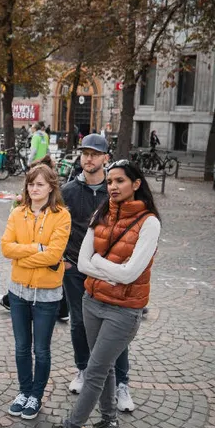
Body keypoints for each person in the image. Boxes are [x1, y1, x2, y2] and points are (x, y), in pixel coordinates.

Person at [37, 159, 161, 428]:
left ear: (136, 184)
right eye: (110, 182)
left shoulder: (149, 222)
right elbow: (81, 262)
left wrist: (98, 264)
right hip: (92, 302)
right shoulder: (101, 212)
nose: (113, 187)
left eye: (120, 181)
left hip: (124, 310)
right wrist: (106, 269)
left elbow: (131, 274)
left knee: (94, 370)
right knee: (102, 369)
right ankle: (108, 421)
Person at [59, 134, 135, 409]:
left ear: (106, 158)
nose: (88, 158)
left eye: (95, 153)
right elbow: (59, 226)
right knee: (78, 323)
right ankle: (82, 369)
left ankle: (122, 384)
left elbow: (131, 228)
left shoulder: (115, 191)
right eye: (85, 153)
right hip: (76, 270)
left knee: (115, 327)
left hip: (109, 270)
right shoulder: (67, 191)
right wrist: (65, 258)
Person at [1, 162, 71, 420]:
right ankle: (23, 391)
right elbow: (7, 248)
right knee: (21, 347)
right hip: (18, 292)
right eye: (31, 183)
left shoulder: (61, 214)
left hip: (46, 295)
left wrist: (24, 254)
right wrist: (38, 250)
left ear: (51, 186)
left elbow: (55, 253)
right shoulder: (18, 213)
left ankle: (36, 396)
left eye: (40, 184)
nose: (34, 188)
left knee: (41, 349)